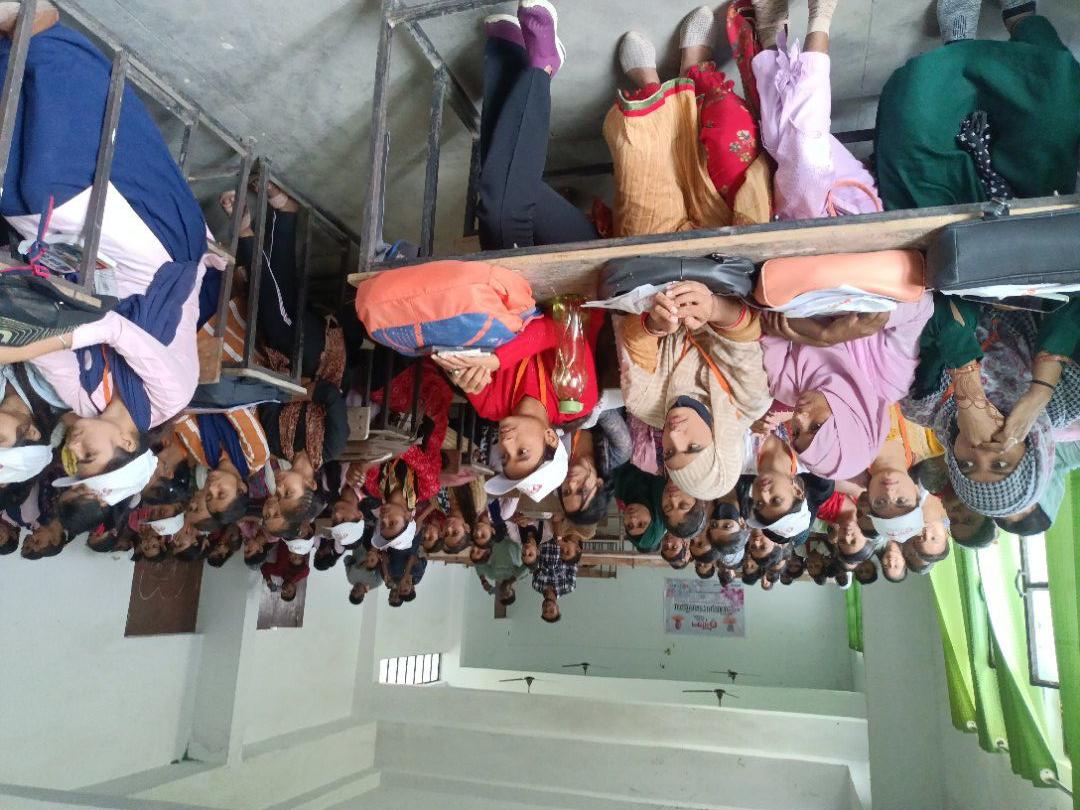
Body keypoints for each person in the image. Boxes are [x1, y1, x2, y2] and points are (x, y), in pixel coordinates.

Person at [0, 21, 218, 489]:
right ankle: (43, 36)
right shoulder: (171, 395)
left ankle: (7, 56)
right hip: (154, 265)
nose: (73, 446)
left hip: (88, 271)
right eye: (89, 456)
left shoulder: (84, 401)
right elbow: (114, 328)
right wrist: (25, 347)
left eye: (71, 458)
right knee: (46, 186)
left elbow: (49, 349)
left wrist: (17, 314)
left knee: (12, 201)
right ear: (127, 442)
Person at [876, 1, 1079, 210]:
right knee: (1061, 89)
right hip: (1041, 193)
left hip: (953, 208)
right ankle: (1020, 19)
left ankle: (957, 44)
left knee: (911, 107)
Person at [902, 297, 1080, 520]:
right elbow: (1074, 300)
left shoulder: (926, 405)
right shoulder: (1066, 400)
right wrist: (1041, 389)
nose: (980, 452)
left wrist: (970, 397)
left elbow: (938, 306)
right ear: (1032, 452)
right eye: (1000, 463)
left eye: (966, 464)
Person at [610, 7, 772, 237]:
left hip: (663, 247)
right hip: (732, 228)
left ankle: (650, 89)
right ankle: (693, 73)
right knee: (731, 129)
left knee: (636, 163)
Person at [616, 286, 771, 500]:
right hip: (727, 286)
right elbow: (744, 332)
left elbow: (635, 340)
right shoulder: (749, 402)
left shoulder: (643, 402)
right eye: (693, 447)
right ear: (718, 442)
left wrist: (654, 325)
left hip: (656, 286)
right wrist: (713, 308)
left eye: (669, 452)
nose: (674, 435)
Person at [759, 293, 934, 481]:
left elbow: (765, 316)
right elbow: (922, 305)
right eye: (816, 426)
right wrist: (880, 318)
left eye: (796, 432)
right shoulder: (891, 380)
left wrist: (824, 335)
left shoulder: (785, 386)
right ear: (851, 425)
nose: (799, 417)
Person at [749, 0, 881, 220]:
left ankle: (778, 32)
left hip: (803, 219)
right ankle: (817, 18)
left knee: (780, 137)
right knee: (806, 148)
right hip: (853, 205)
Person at [613, 463, 665, 553]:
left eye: (629, 525)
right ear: (654, 518)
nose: (632, 519)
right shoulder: (665, 484)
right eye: (641, 524)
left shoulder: (620, 491)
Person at [532, 531, 576, 623]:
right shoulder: (569, 586)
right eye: (551, 611)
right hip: (562, 535)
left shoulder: (536, 585)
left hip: (542, 535)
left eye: (545, 611)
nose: (547, 607)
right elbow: (573, 560)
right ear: (557, 608)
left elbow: (535, 559)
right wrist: (563, 539)